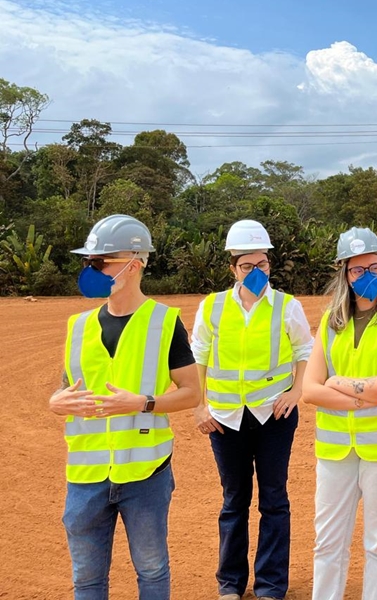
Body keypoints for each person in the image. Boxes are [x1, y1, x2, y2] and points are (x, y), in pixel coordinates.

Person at [49, 214, 201, 600]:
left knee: (151, 571)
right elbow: (69, 389)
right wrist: (56, 401)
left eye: (100, 262)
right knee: (86, 579)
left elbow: (191, 393)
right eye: (89, 262)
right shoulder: (77, 326)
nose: (91, 270)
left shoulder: (165, 323)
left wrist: (143, 403)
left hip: (145, 475)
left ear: (133, 264)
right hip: (85, 479)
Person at [191, 219, 313, 600]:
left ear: (269, 266)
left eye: (263, 265)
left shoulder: (286, 306)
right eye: (247, 266)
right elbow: (199, 359)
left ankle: (271, 585)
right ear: (232, 268)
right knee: (234, 501)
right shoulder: (211, 307)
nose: (256, 272)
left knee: (274, 499)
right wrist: (199, 405)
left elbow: (304, 352)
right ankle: (230, 583)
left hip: (273, 416)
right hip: (226, 419)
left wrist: (296, 392)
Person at [302, 226, 377, 600]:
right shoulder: (329, 322)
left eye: (374, 267)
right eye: (357, 270)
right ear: (345, 275)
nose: (368, 276)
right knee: (328, 543)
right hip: (335, 451)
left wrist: (337, 383)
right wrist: (363, 394)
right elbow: (309, 390)